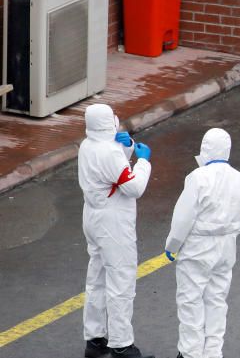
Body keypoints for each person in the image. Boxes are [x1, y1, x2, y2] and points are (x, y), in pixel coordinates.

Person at [165, 128, 240, 358]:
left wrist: (172, 245)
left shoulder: (198, 178)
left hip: (198, 248)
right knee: (216, 300)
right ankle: (213, 352)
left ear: (205, 148)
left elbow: (184, 217)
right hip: (226, 247)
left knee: (190, 300)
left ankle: (190, 353)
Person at [78, 104, 154, 358]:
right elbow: (133, 187)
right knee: (121, 281)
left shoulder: (87, 146)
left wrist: (128, 147)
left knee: (97, 279)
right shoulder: (109, 152)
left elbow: (111, 168)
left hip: (93, 217)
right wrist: (143, 162)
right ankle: (122, 345)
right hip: (113, 223)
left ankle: (95, 340)